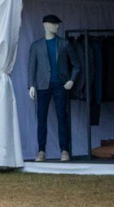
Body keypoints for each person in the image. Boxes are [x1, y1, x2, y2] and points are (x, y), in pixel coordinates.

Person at [28, 13, 81, 162]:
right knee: (41, 118)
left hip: (60, 84)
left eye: (57, 24)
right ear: (45, 25)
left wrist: (71, 80)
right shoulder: (36, 46)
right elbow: (32, 66)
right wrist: (31, 85)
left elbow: (77, 65)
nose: (57, 26)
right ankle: (41, 151)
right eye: (54, 24)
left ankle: (64, 150)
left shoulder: (64, 44)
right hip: (42, 85)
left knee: (62, 117)